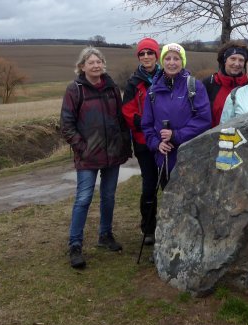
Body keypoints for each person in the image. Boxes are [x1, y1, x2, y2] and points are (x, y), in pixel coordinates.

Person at [60, 47, 131, 269]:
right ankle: (75, 245)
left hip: (112, 154)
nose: (96, 65)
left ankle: (105, 235)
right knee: (83, 199)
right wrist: (82, 147)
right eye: (91, 62)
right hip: (88, 156)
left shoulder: (111, 88)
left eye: (99, 61)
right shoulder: (75, 90)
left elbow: (120, 121)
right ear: (82, 67)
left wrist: (124, 146)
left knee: (108, 196)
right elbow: (66, 124)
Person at [141, 43, 211, 190]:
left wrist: (176, 135)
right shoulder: (153, 91)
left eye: (176, 59)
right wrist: (156, 144)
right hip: (164, 158)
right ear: (162, 61)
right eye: (167, 58)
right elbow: (147, 124)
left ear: (183, 62)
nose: (171, 62)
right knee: (169, 201)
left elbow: (204, 120)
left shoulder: (194, 86)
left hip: (191, 156)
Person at [121, 37, 161, 246]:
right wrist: (148, 123)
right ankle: (148, 227)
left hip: (165, 140)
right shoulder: (133, 82)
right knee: (149, 185)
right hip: (143, 141)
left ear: (157, 55)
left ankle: (171, 223)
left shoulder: (167, 77)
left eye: (150, 53)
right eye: (142, 53)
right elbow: (127, 112)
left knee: (168, 182)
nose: (146, 57)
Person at [202, 41, 248, 127]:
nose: (237, 64)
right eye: (233, 59)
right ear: (225, 61)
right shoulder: (209, 83)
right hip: (213, 137)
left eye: (241, 60)